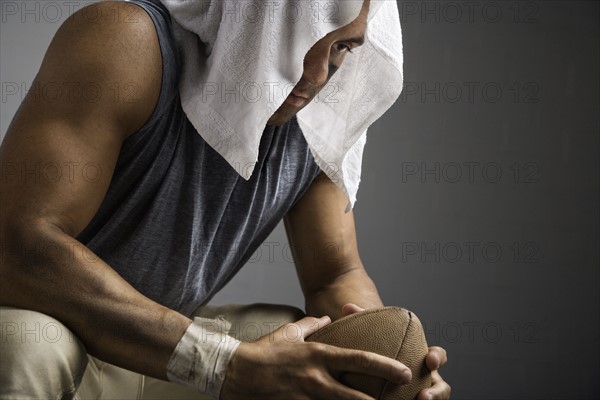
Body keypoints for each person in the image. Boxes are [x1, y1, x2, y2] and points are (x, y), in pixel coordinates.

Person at [0, 0, 451, 399]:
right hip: (47, 322)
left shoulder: (317, 115)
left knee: (311, 361)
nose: (315, 77)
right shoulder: (127, 38)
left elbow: (335, 274)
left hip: (155, 351)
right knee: (22, 344)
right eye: (303, 38)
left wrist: (390, 368)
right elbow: (16, 247)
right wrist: (219, 363)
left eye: (341, 47)